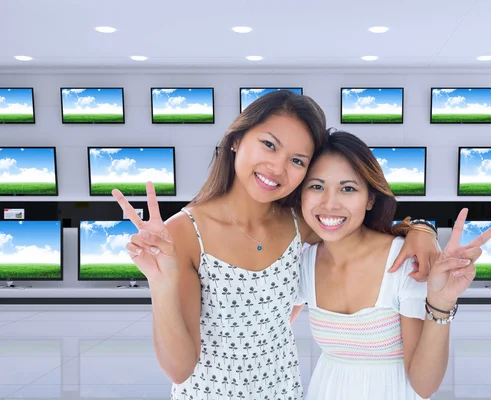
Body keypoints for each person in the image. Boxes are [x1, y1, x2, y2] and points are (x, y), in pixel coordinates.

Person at [112, 90, 441, 400]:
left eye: (298, 161)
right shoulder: (184, 235)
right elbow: (180, 368)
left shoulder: (300, 223)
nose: (278, 168)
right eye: (269, 145)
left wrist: (421, 231)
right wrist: (160, 281)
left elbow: (356, 225)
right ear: (237, 140)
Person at [293, 130, 491, 400]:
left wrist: (440, 303)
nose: (330, 203)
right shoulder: (304, 262)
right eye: (316, 186)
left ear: (370, 198)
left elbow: (424, 386)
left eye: (348, 188)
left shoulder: (404, 263)